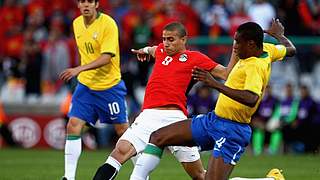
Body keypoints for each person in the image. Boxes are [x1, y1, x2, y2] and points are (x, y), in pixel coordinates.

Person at [132, 19, 296, 180]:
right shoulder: (268, 49)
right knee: (158, 137)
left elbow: (251, 98)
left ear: (251, 44)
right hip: (214, 120)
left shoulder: (254, 66)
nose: (234, 47)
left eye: (238, 43)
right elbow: (290, 49)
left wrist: (215, 84)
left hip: (233, 130)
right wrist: (279, 35)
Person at [93, 22, 239, 180]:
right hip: (148, 116)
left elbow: (226, 74)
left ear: (184, 40)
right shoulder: (162, 50)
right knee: (119, 151)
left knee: (199, 175)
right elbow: (153, 49)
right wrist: (144, 51)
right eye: (164, 39)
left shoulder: (195, 58)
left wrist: (236, 48)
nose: (166, 43)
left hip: (175, 118)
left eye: (171, 39)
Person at [59, 0, 129, 179]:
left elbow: (106, 58)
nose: (86, 5)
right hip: (86, 87)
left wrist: (78, 69)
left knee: (124, 132)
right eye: (82, 1)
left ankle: (142, 175)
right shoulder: (76, 24)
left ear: (96, 4)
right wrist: (81, 72)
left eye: (90, 1)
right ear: (78, 4)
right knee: (73, 125)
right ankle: (68, 177)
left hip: (109, 86)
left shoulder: (108, 24)